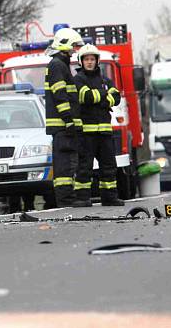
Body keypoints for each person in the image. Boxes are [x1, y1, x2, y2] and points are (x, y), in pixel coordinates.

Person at [74, 44, 124, 206]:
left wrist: (99, 98)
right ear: (81, 61)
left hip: (104, 132)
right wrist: (103, 95)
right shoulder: (78, 79)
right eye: (86, 59)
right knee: (85, 167)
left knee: (109, 166)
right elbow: (85, 97)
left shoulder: (104, 79)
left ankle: (109, 197)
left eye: (92, 59)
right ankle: (82, 198)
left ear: (97, 61)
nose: (89, 62)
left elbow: (116, 97)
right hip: (86, 133)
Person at [44, 27, 86, 208]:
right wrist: (68, 119)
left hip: (64, 125)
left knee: (69, 163)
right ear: (65, 45)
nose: (75, 51)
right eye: (73, 47)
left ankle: (68, 198)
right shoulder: (57, 65)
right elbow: (60, 95)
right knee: (64, 164)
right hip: (62, 126)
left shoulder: (60, 65)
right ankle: (65, 199)